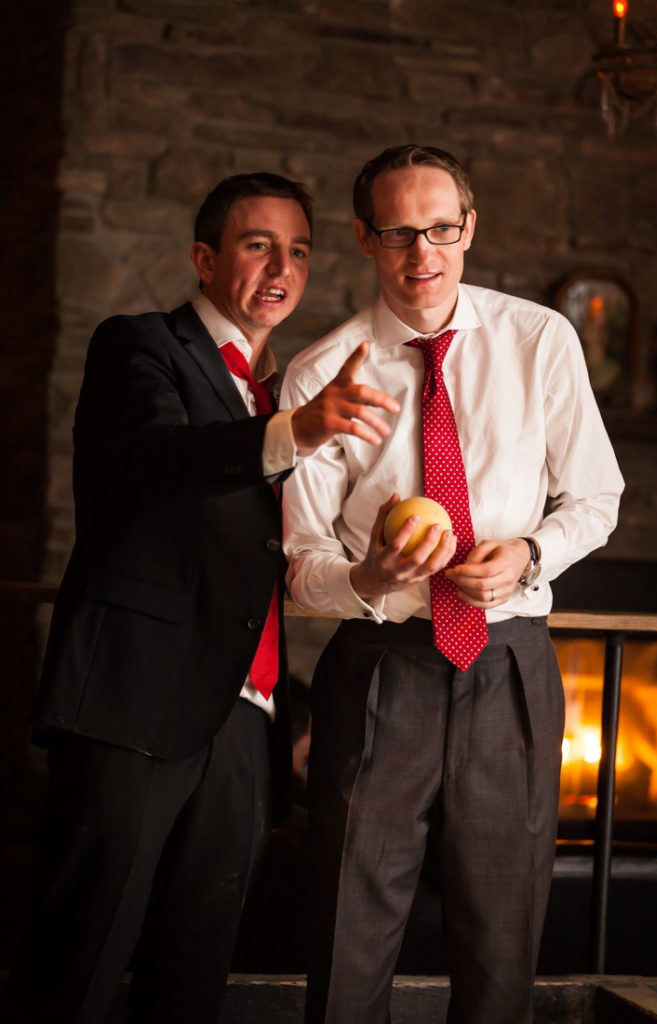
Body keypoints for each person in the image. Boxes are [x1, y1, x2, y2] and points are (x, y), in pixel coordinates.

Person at [3, 171, 399, 1024]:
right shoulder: (139, 347)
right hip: (132, 709)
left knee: (196, 969)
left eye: (297, 250)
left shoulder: (286, 386)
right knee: (79, 962)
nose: (280, 268)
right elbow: (157, 458)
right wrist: (300, 429)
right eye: (258, 245)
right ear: (204, 257)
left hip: (243, 719)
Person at [280, 144, 625, 1024]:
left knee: (503, 940)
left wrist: (531, 555)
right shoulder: (322, 375)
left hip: (509, 662)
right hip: (379, 667)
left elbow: (597, 496)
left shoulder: (540, 340)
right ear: (364, 237)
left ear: (469, 229)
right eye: (398, 232)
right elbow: (301, 567)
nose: (421, 253)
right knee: (348, 934)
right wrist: (368, 573)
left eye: (440, 228)